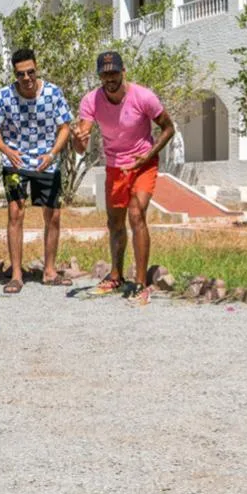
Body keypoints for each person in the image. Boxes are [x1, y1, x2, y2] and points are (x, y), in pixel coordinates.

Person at [73, 50, 176, 305]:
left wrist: (149, 154)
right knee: (115, 222)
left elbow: (168, 128)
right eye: (104, 74)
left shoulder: (143, 96)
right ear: (99, 76)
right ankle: (116, 276)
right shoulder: (91, 100)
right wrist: (78, 139)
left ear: (123, 72)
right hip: (115, 166)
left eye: (114, 73)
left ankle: (141, 284)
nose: (110, 78)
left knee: (136, 214)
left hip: (143, 162)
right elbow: (80, 146)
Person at [0, 47, 74, 294]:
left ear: (37, 68)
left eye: (30, 72)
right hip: (16, 162)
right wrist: (7, 151)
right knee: (16, 212)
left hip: (46, 160)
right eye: (20, 74)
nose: (26, 78)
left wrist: (52, 153)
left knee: (53, 215)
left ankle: (50, 271)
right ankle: (16, 274)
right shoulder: (3, 96)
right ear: (14, 74)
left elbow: (65, 127)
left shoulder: (53, 93)